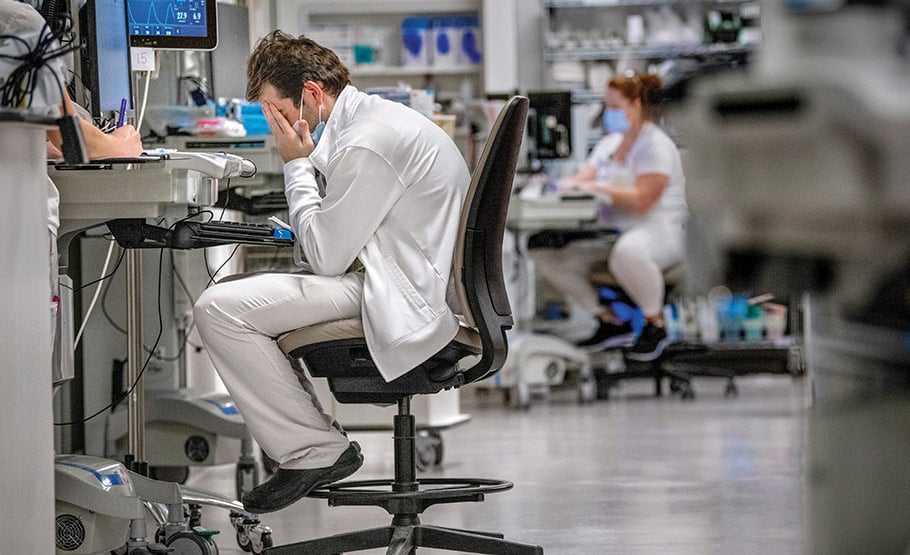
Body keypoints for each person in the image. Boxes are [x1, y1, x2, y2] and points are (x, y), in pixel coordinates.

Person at [192, 31, 472, 514]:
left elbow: (324, 258)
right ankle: (310, 441)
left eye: (274, 110)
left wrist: (296, 167)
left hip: (399, 294)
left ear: (312, 94)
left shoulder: (369, 141)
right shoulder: (369, 124)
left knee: (218, 308)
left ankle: (314, 450)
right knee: (239, 295)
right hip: (396, 279)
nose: (270, 123)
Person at [534, 70, 687, 361]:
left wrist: (597, 186)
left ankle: (655, 326)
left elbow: (643, 200)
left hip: (661, 231)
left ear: (637, 106)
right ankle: (608, 320)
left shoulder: (655, 145)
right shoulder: (610, 145)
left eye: (615, 107)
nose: (609, 113)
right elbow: (581, 178)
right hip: (615, 233)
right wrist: (558, 185)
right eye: (607, 106)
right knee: (550, 258)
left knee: (627, 253)